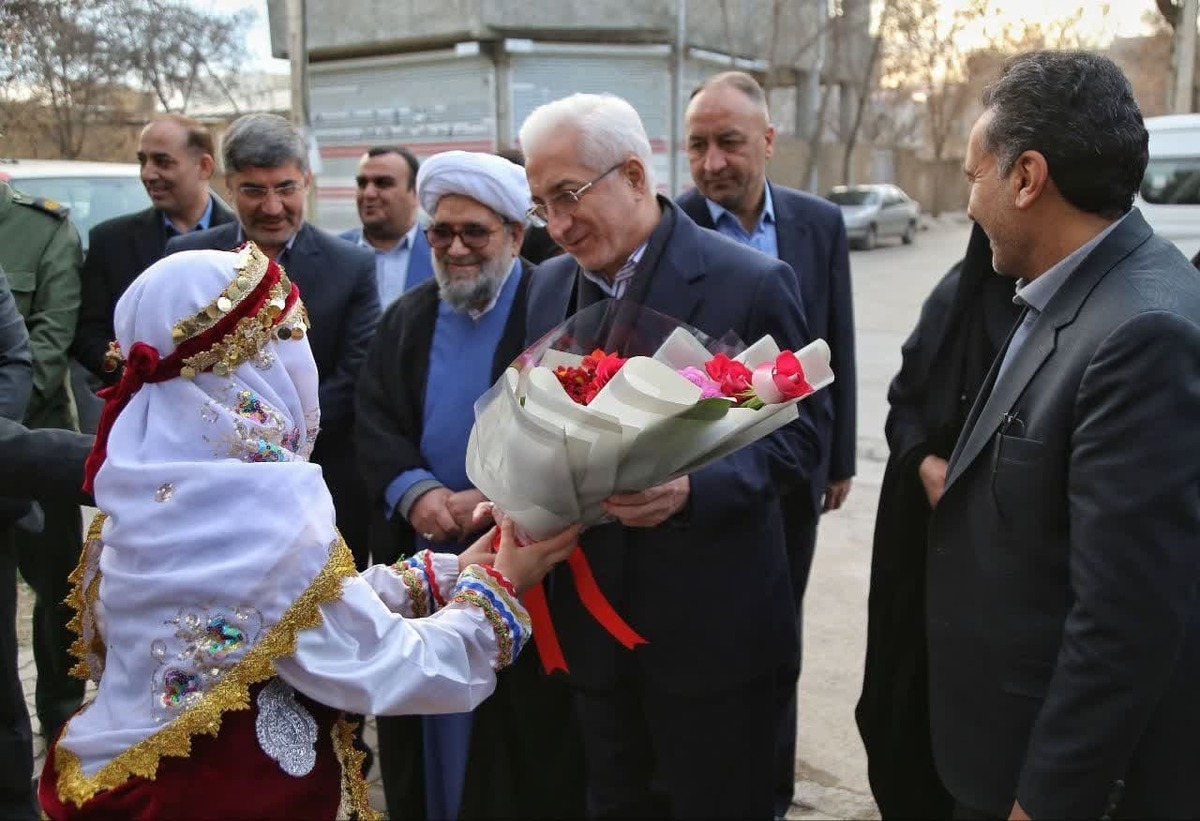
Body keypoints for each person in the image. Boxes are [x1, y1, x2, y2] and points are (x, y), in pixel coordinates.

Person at [35, 244, 577, 819]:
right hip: (229, 792)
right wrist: (496, 587)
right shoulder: (258, 501)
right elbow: (384, 665)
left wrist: (444, 573)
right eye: (283, 339)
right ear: (246, 365)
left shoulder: (156, 480)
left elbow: (270, 615)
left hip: (146, 777)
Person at [518, 92, 820, 819]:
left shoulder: (747, 281)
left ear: (630, 173)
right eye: (540, 205)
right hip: (593, 638)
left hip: (715, 641)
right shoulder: (546, 285)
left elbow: (799, 441)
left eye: (567, 196)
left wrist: (694, 487)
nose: (556, 226)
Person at [927, 51, 1200, 820]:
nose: (969, 202)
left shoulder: (1140, 332)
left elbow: (1125, 619)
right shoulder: (1081, 290)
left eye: (975, 176)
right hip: (995, 744)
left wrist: (1047, 798)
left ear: (1027, 177)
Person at [356, 150, 584, 820]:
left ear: (516, 233)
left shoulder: (559, 307)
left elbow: (575, 428)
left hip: (524, 560)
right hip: (423, 560)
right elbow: (374, 417)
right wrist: (420, 493)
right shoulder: (406, 317)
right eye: (441, 232)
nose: (456, 247)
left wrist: (496, 506)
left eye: (475, 232)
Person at [678, 70, 856, 817]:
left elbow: (834, 336)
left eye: (729, 142)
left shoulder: (818, 224)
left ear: (769, 142)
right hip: (698, 481)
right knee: (706, 640)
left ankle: (770, 790)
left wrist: (837, 455)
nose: (713, 162)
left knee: (778, 635)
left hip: (792, 469)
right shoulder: (672, 225)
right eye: (697, 145)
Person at [855, 222, 1021, 819]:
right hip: (937, 564)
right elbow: (905, 403)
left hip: (1018, 583)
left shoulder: (1086, 323)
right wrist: (923, 462)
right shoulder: (958, 297)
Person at [165, 113, 380, 569]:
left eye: (285, 188)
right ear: (228, 186)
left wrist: (269, 446)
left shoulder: (352, 267)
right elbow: (169, 365)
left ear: (307, 181)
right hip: (210, 482)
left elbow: (353, 375)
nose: (272, 207)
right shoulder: (187, 259)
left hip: (322, 480)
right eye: (254, 191)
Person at [0, 178, 86, 749]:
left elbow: (31, 353)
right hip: (20, 450)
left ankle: (60, 721)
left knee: (57, 591)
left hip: (33, 448)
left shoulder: (44, 228)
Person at [73, 114, 236, 385]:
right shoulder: (110, 241)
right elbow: (88, 334)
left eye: (162, 162)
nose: (148, 173)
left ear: (204, 166)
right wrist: (134, 376)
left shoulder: (246, 242)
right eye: (143, 161)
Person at [339, 145, 434, 308]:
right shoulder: (332, 256)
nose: (368, 193)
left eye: (382, 183)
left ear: (415, 193)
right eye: (362, 183)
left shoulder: (440, 254)